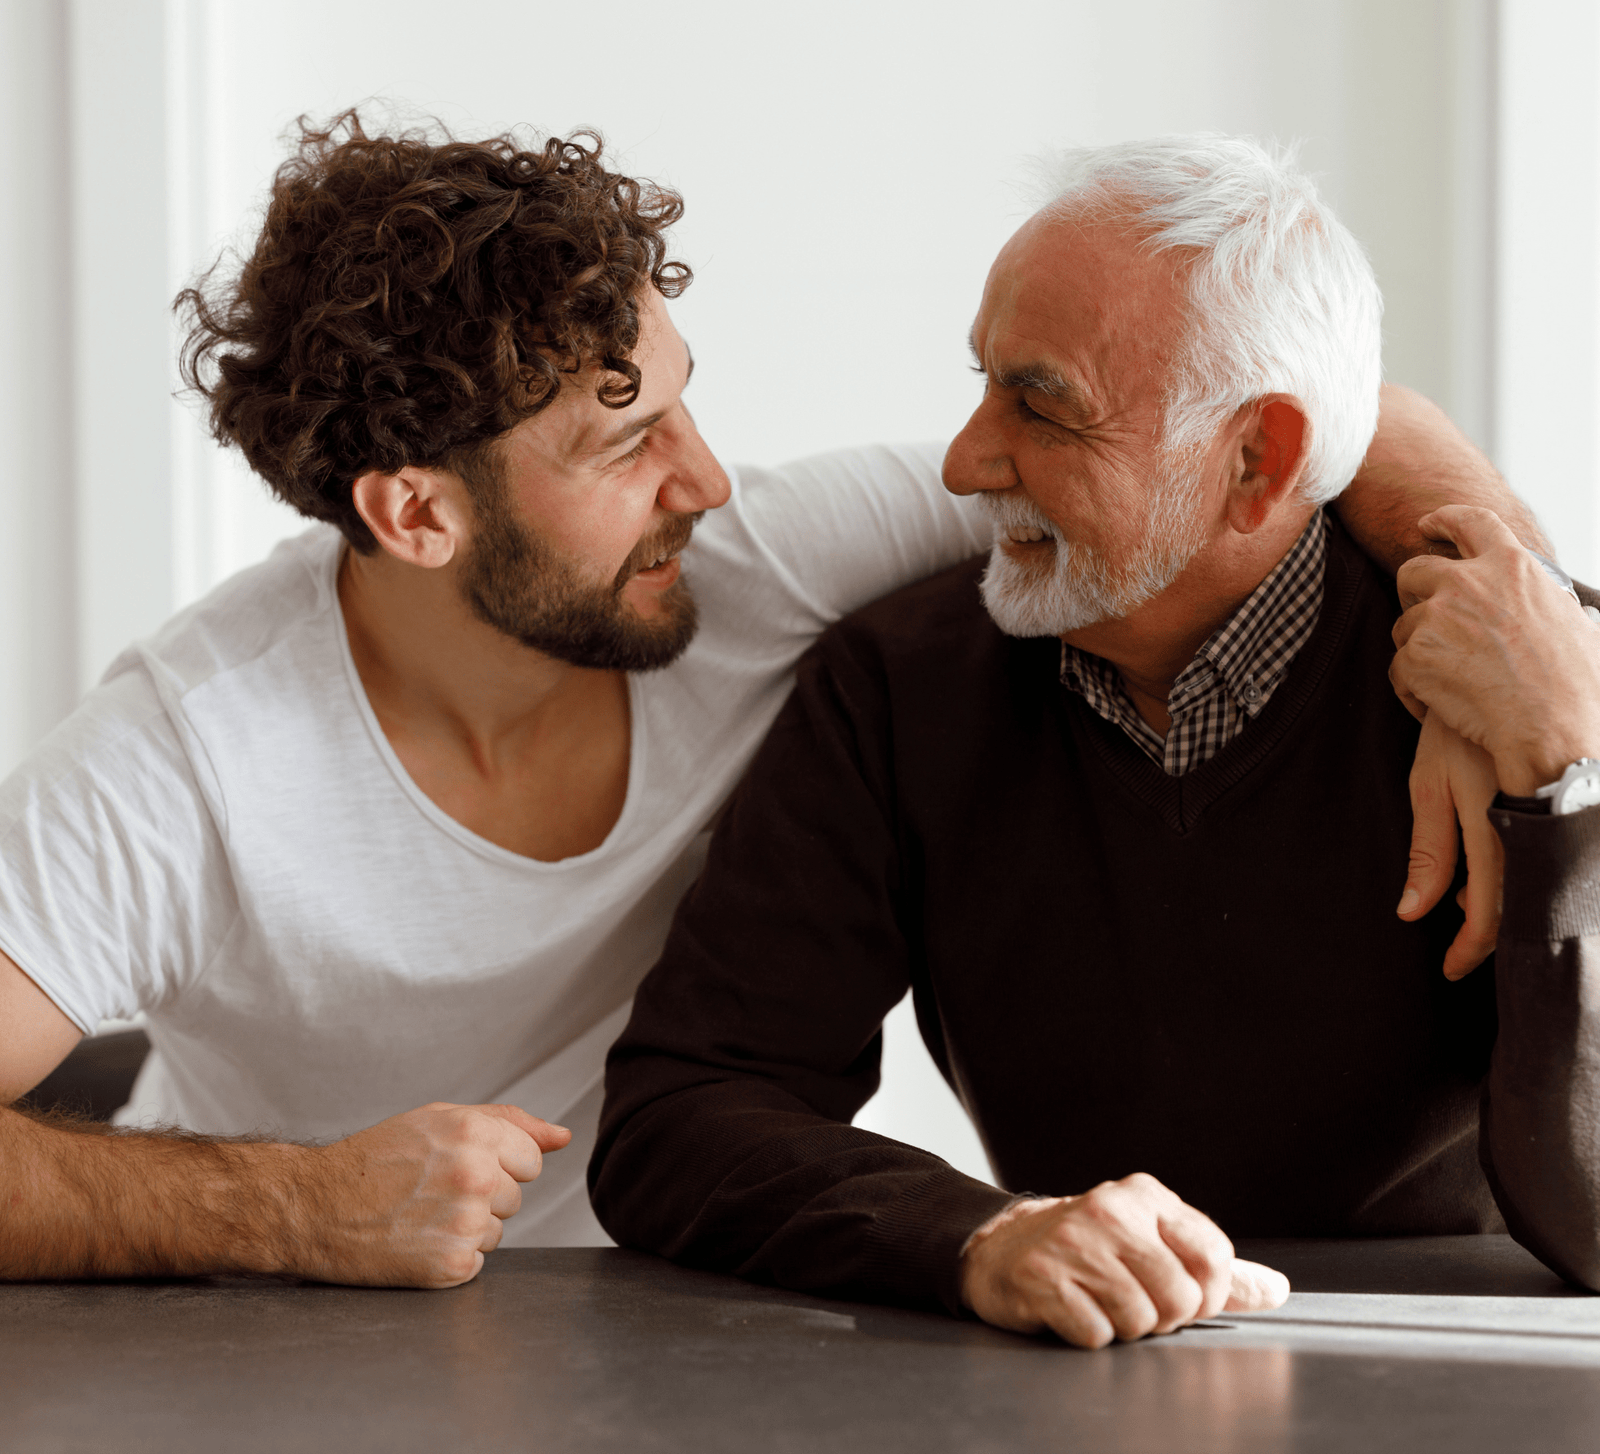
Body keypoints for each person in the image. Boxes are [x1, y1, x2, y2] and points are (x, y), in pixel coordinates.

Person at [0, 117, 1539, 1289]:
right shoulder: (183, 760)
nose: (710, 479)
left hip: (646, 1319)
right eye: (626, 445)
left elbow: (1276, 426)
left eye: (685, 396)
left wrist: (1512, 634)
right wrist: (295, 1208)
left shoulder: (764, 563)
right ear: (416, 516)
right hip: (262, 1320)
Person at [589, 135, 1600, 1347]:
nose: (964, 461)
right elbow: (681, 1109)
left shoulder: (1538, 686)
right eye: (980, 383)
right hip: (1074, 1377)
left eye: (1041, 403)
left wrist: (1565, 783)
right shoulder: (900, 689)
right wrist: (977, 1234)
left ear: (1257, 457)